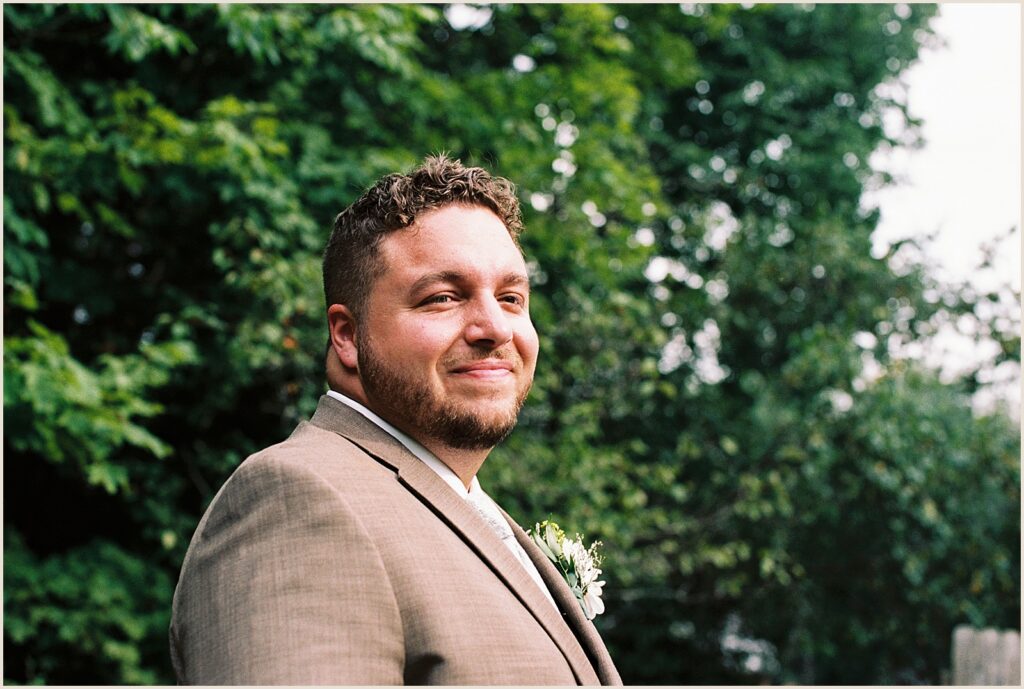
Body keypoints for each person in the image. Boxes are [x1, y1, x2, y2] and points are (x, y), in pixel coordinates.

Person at [169, 155, 623, 685]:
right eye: (443, 298)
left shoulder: (461, 507)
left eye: (510, 297)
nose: (494, 328)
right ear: (347, 335)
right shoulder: (296, 502)